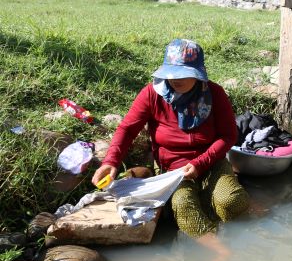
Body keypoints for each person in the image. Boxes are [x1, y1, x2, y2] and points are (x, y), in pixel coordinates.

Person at [92, 38, 250, 239]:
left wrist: (200, 163)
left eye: (183, 73)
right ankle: (218, 252)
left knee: (231, 201)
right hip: (173, 168)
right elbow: (127, 129)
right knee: (183, 203)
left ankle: (230, 228)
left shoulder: (214, 93)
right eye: (171, 72)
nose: (176, 79)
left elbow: (229, 136)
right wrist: (111, 161)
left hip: (211, 163)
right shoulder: (152, 94)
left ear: (198, 73)